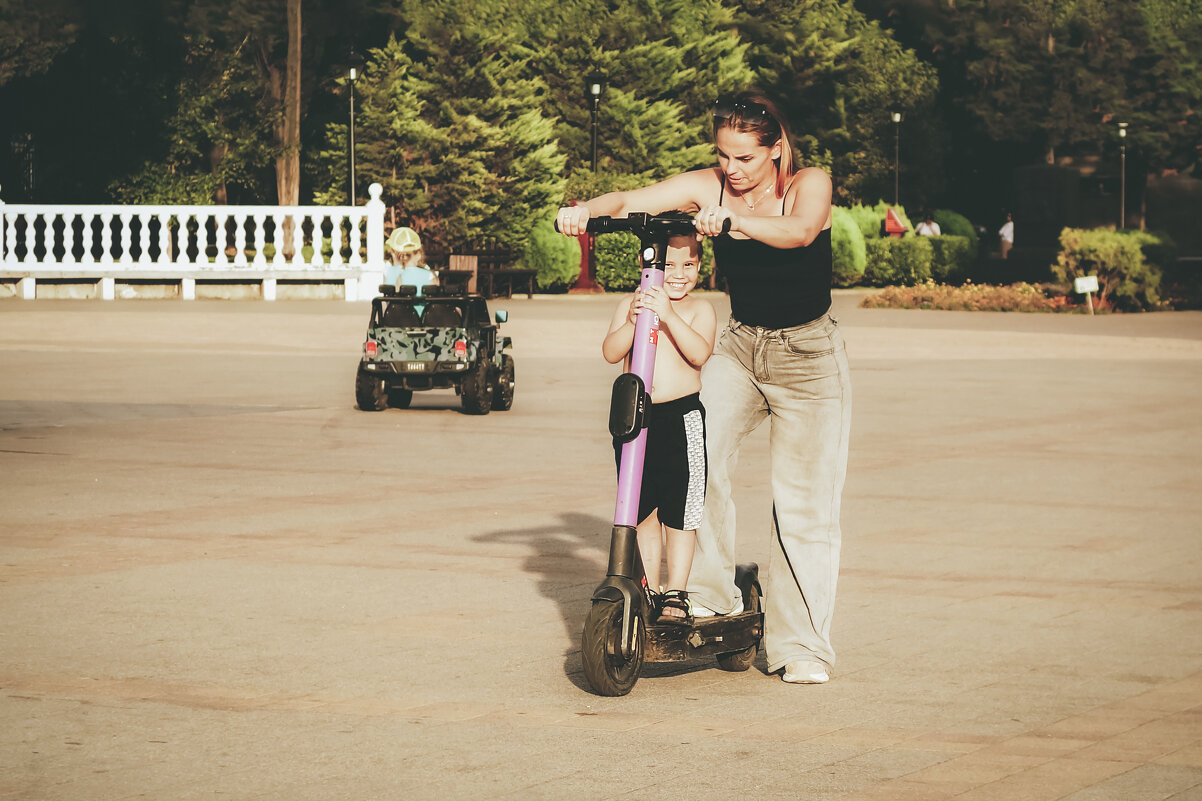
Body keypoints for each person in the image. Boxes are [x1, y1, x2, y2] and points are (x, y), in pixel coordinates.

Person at [558, 91, 851, 684]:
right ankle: (709, 596)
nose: (732, 170)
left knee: (804, 505)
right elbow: (631, 198)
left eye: (745, 158)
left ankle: (803, 648)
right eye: (723, 157)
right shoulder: (710, 186)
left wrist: (737, 221)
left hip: (810, 355)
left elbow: (800, 231)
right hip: (739, 347)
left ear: (775, 149)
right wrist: (586, 209)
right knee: (697, 462)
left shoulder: (808, 183)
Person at [601, 234, 717, 625]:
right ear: (647, 265)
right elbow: (611, 351)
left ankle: (676, 593)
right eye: (669, 265)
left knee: (681, 511)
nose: (679, 274)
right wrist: (635, 319)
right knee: (643, 510)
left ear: (700, 267)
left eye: (689, 265)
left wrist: (667, 314)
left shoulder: (700, 309)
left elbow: (699, 353)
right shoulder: (629, 303)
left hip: (681, 420)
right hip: (636, 418)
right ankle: (649, 588)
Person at [384, 226, 438, 292]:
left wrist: (396, 266)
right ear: (419, 255)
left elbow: (388, 300)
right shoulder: (429, 275)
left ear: (393, 254)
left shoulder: (389, 274)